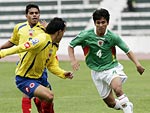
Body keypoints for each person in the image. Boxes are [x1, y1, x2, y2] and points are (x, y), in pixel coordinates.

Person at [68, 8, 145, 113]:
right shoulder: (86, 35)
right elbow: (71, 45)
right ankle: (127, 105)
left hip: (111, 68)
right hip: (96, 72)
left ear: (107, 23)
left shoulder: (112, 37)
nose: (100, 25)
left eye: (103, 22)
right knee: (111, 103)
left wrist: (138, 64)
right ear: (94, 23)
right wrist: (73, 60)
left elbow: (127, 50)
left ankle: (127, 110)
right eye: (98, 22)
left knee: (117, 89)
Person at [0, 17, 73, 112]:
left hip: (39, 78)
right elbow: (22, 47)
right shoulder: (42, 39)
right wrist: (2, 53)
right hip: (24, 79)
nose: (63, 35)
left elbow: (51, 65)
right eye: (64, 32)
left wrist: (63, 73)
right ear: (59, 32)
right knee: (49, 96)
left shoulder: (54, 45)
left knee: (48, 101)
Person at [0, 4, 56, 113]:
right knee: (27, 92)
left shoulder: (44, 29)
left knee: (46, 97)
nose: (34, 15)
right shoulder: (19, 28)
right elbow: (13, 41)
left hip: (40, 65)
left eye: (36, 13)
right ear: (26, 15)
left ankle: (40, 106)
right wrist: (1, 47)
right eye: (31, 13)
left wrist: (48, 29)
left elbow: (53, 41)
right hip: (24, 63)